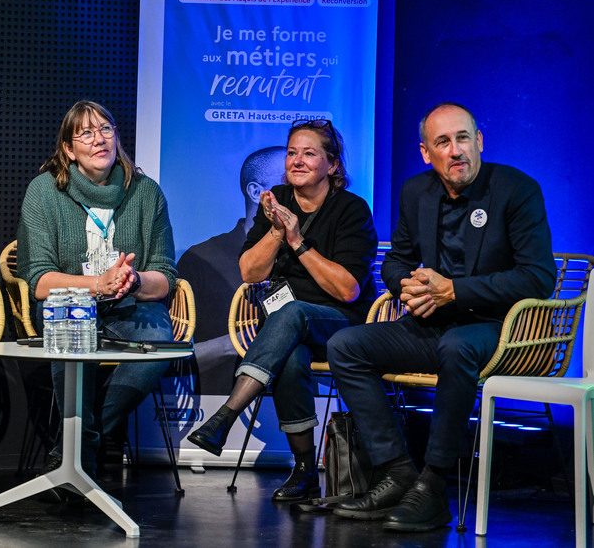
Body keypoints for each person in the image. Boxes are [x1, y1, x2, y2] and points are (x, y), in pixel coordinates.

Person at [326, 102, 555, 531]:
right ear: (425, 153)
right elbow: (396, 260)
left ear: (480, 142)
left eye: (463, 138)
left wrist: (454, 291)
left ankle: (433, 487)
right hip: (430, 326)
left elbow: (538, 277)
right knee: (346, 345)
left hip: (500, 329)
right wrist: (407, 287)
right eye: (443, 142)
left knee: (456, 346)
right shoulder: (417, 192)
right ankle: (397, 473)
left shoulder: (516, 189)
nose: (456, 151)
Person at [187, 119, 378, 503]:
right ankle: (305, 469)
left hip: (339, 324)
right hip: (287, 331)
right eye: (292, 152)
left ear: (333, 165)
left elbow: (347, 289)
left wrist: (297, 240)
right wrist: (275, 232)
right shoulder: (277, 200)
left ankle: (227, 413)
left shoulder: (351, 210)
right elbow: (249, 271)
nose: (297, 160)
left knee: (292, 314)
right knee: (290, 356)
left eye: (310, 153)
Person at [17, 100, 177, 475]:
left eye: (106, 129)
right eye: (86, 133)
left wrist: (133, 281)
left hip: (128, 304)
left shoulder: (146, 192)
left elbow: (165, 276)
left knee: (160, 345)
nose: (99, 139)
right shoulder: (44, 191)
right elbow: (40, 280)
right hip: (69, 303)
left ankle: (77, 445)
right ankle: (81, 453)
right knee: (68, 335)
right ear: (69, 149)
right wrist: (97, 284)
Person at [178, 146, 284, 394]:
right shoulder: (201, 259)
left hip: (299, 402)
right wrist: (237, 342)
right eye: (286, 184)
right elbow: (174, 357)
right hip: (213, 401)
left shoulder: (304, 254)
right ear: (256, 192)